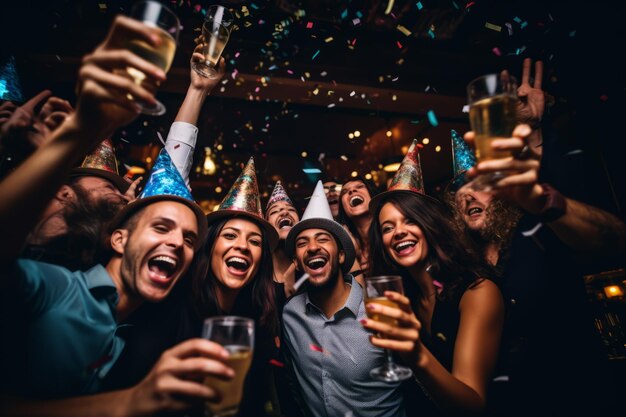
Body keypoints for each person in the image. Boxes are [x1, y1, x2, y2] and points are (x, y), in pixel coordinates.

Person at [0, 15, 234, 416]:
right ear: (119, 237)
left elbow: (175, 168)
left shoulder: (145, 327)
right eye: (161, 227)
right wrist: (79, 129)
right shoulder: (54, 287)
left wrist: (197, 90)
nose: (178, 242)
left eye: (190, 238)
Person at [455, 58, 626, 416]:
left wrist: (533, 134)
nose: (469, 195)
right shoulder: (460, 268)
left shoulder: (536, 234)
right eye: (461, 193)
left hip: (576, 396)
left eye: (479, 186)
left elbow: (614, 240)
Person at [362, 139, 503, 416]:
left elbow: (473, 404)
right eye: (387, 228)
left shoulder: (478, 292)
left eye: (409, 220)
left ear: (430, 226)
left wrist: (415, 353)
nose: (398, 232)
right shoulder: (406, 298)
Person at [283, 180, 406, 417]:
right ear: (297, 262)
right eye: (302, 243)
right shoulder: (290, 315)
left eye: (322, 239)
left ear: (341, 256)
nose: (312, 248)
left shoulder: (379, 313)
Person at [337, 175, 379, 281]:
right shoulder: (343, 247)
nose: (352, 190)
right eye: (345, 191)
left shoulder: (389, 234)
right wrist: (350, 251)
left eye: (360, 187)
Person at [265, 180, 300, 297]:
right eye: (274, 211)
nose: (285, 212)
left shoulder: (313, 273)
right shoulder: (255, 277)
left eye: (291, 210)